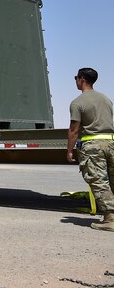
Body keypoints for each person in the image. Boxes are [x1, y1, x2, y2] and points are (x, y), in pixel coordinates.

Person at [66, 67, 114, 231]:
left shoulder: (78, 102)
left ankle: (110, 219)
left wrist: (70, 150)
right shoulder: (106, 99)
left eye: (76, 78)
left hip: (93, 146)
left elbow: (74, 130)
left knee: (99, 183)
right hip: (111, 143)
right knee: (112, 181)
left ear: (81, 79)